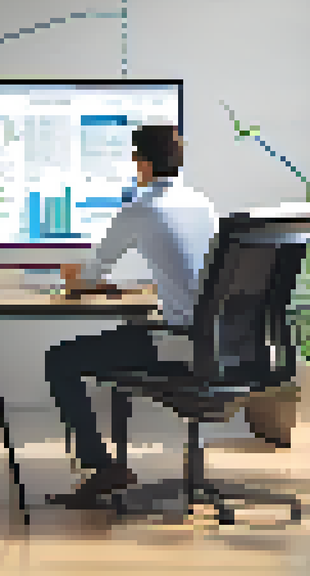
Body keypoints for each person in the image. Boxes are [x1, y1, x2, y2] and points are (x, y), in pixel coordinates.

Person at [45, 124, 219, 508]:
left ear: (141, 163)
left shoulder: (140, 209)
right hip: (223, 343)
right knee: (131, 334)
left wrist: (71, 275)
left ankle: (102, 466)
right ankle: (112, 464)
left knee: (60, 359)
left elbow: (88, 275)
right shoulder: (202, 204)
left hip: (177, 345)